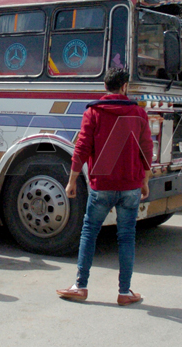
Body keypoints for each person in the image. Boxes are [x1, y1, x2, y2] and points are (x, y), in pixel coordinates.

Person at [57, 68, 153, 306]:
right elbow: (147, 150)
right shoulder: (139, 113)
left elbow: (82, 148)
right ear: (124, 87)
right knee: (127, 237)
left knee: (89, 233)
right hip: (130, 186)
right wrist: (145, 181)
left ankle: (80, 286)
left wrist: (72, 181)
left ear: (106, 87)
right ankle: (124, 292)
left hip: (102, 186)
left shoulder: (93, 112)